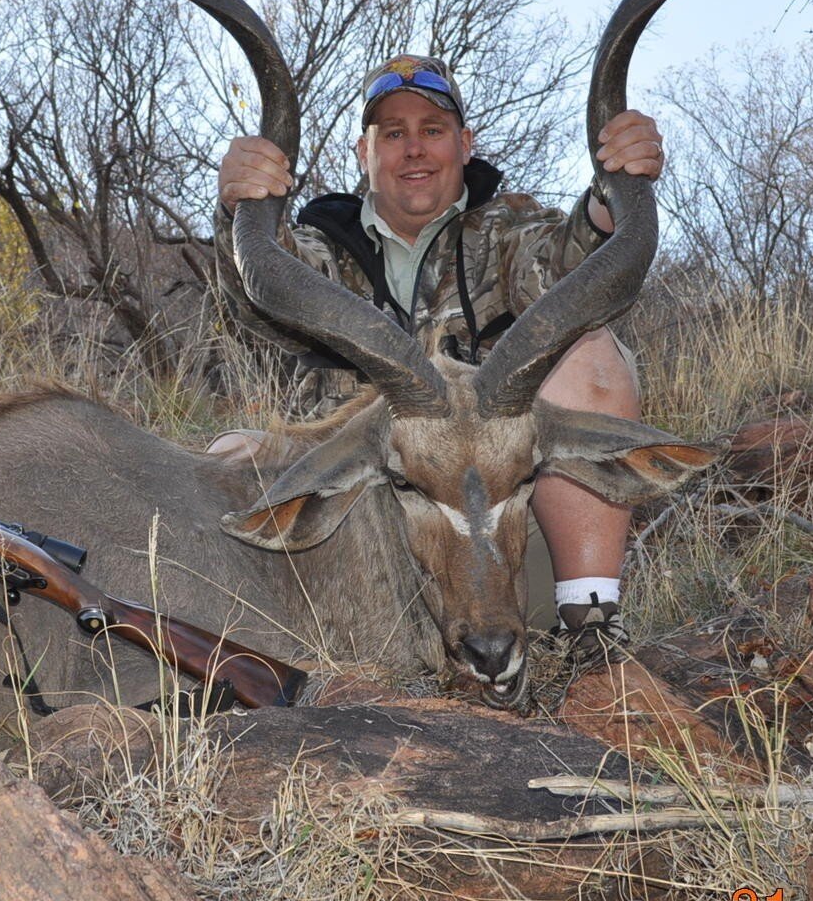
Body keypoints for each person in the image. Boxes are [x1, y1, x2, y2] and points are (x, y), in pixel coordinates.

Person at [210, 53, 666, 670]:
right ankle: (226, 660)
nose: (414, 149)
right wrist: (242, 206)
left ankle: (590, 626)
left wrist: (619, 191)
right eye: (392, 134)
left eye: (432, 130)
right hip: (359, 522)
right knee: (226, 457)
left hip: (498, 527)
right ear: (363, 153)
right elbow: (256, 296)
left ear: (465, 144)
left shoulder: (511, 232)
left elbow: (577, 261)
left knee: (589, 352)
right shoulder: (317, 253)